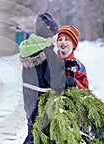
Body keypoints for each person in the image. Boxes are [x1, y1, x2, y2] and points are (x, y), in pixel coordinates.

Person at [19, 12, 65, 144]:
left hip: (29, 101)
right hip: (42, 104)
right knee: (43, 136)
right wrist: (70, 80)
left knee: (33, 132)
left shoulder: (29, 49)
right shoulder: (48, 53)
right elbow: (56, 83)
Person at [56, 25, 89, 89]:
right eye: (60, 39)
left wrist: (74, 82)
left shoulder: (78, 66)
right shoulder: (52, 61)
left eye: (66, 39)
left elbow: (85, 89)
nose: (63, 42)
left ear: (73, 44)